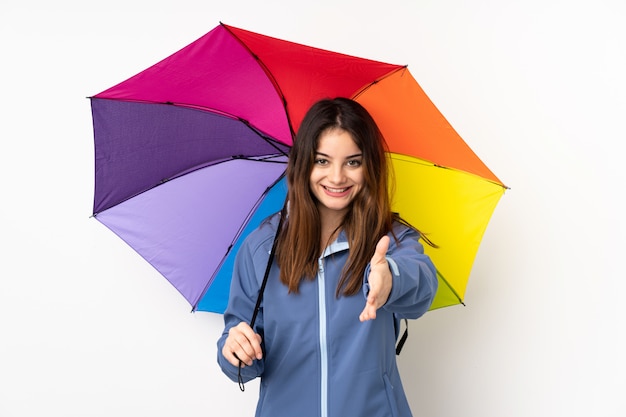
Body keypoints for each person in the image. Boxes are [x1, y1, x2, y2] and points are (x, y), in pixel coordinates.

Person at [217, 97, 438, 417]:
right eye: (322, 161)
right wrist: (235, 353)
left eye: (352, 162)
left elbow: (423, 284)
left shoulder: (390, 239)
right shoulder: (261, 248)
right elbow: (241, 355)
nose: (337, 177)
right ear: (303, 164)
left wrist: (390, 278)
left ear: (369, 166)